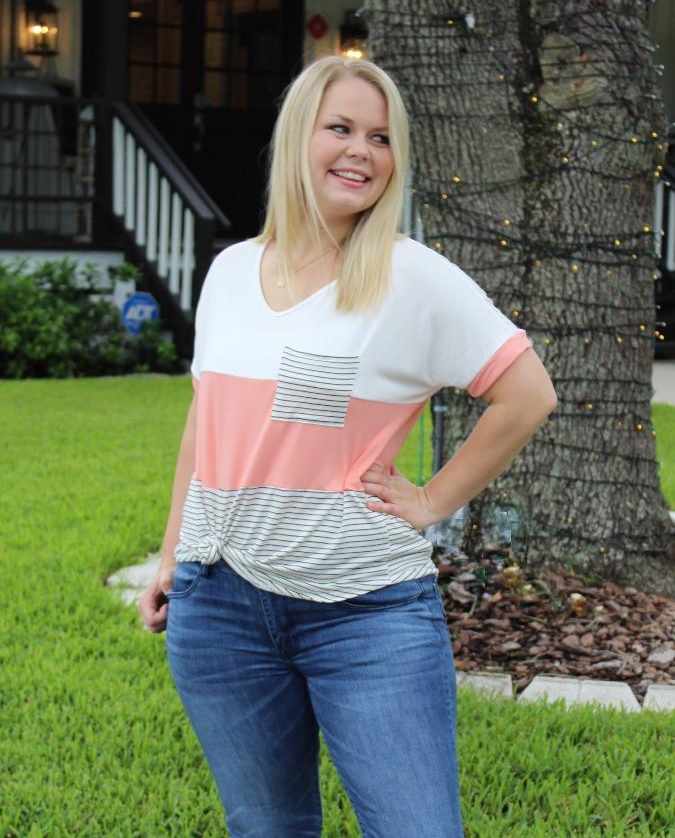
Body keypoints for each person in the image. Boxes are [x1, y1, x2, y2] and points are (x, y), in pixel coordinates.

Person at [139, 55, 557, 838]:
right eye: (340, 129)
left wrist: (434, 500)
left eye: (380, 136)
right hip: (218, 607)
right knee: (267, 828)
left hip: (362, 614)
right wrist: (173, 555)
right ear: (299, 137)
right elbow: (207, 420)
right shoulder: (231, 271)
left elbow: (527, 392)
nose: (360, 150)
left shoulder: (411, 277)